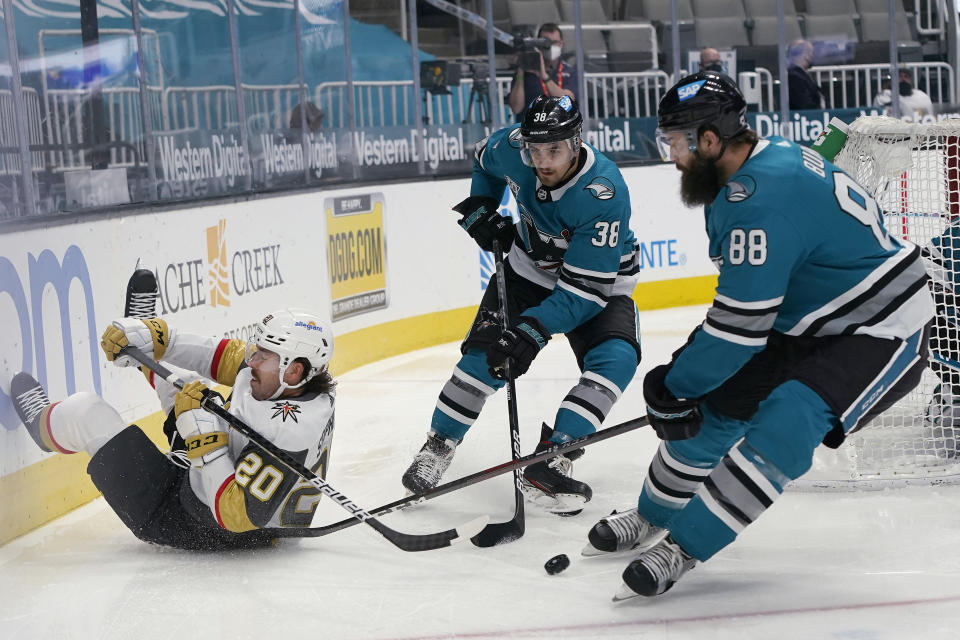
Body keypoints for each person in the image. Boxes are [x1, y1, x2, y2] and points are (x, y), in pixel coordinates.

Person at [584, 71, 933, 599]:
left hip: (881, 325)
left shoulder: (757, 201)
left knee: (786, 422)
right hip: (804, 321)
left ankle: (684, 545)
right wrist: (689, 384)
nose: (671, 156)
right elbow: (746, 314)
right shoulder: (755, 168)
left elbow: (739, 330)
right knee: (715, 408)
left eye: (675, 143)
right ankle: (653, 514)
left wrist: (673, 382)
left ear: (708, 140)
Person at [401, 95, 642, 515]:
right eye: (535, 151)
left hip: (596, 283)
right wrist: (482, 206)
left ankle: (553, 457)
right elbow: (482, 159)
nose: (544, 162)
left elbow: (585, 291)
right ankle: (439, 444)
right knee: (484, 360)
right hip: (527, 270)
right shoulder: (512, 148)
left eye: (555, 150)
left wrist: (533, 328)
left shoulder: (603, 192)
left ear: (577, 142)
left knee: (616, 359)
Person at [9, 269, 336, 551]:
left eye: (263, 356)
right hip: (210, 482)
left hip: (186, 518)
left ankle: (43, 427)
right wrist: (162, 339)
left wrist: (206, 441)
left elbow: (235, 515)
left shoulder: (289, 431)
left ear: (293, 371)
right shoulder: (297, 380)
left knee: (83, 412)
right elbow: (222, 356)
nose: (251, 360)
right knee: (183, 382)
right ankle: (139, 340)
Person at [508, 23, 579, 121]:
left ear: (561, 44)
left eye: (554, 42)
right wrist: (521, 70)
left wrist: (544, 76)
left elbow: (567, 103)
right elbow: (516, 108)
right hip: (531, 131)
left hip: (558, 130)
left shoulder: (569, 72)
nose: (549, 47)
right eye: (545, 43)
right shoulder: (526, 71)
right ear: (538, 44)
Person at [786, 39, 824, 110]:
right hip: (809, 117)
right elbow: (804, 103)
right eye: (810, 53)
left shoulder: (803, 74)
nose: (812, 56)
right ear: (806, 55)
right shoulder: (794, 77)